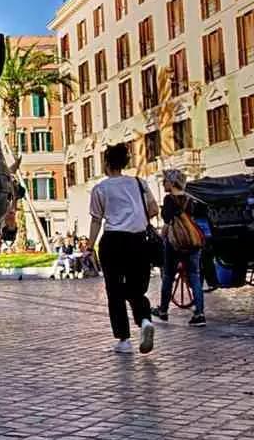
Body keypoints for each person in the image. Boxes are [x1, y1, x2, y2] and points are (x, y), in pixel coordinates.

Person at [88, 143, 159, 355]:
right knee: (137, 288)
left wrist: (89, 246)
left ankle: (124, 340)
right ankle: (144, 320)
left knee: (115, 291)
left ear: (107, 163)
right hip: (139, 241)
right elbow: (154, 209)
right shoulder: (139, 183)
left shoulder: (100, 188)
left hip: (113, 242)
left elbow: (96, 220)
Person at [155, 169, 205, 326]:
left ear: (172, 182)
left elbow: (167, 221)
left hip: (175, 243)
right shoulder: (190, 199)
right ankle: (200, 313)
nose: (163, 183)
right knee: (195, 276)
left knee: (168, 276)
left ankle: (163, 310)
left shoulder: (169, 200)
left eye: (165, 181)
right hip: (192, 241)